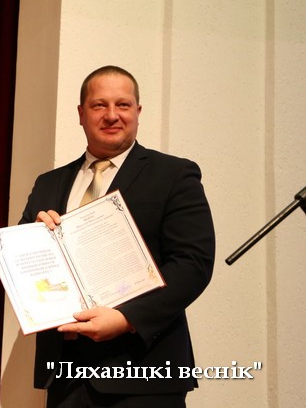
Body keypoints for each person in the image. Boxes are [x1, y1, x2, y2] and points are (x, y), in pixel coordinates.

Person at [20, 65, 215, 407]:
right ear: (81, 114)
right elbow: (21, 267)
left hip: (144, 372)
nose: (112, 115)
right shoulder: (48, 183)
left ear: (138, 111)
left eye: (122, 105)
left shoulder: (173, 174)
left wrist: (127, 319)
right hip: (66, 374)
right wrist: (32, 239)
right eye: (99, 105)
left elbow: (192, 264)